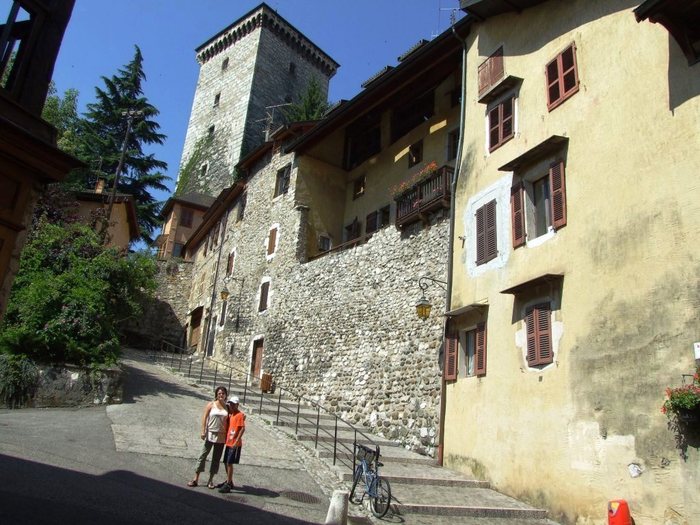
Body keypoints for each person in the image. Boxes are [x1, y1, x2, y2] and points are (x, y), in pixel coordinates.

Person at [188, 385, 229, 489]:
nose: (221, 395)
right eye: (219, 393)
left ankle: (210, 480)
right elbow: (204, 417)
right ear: (216, 394)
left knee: (216, 459)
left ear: (225, 395)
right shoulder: (211, 404)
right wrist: (203, 430)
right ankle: (195, 478)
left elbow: (233, 417)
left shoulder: (227, 407)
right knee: (203, 455)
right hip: (210, 433)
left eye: (223, 393)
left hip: (221, 436)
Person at [218, 396, 245, 493]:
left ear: (237, 405)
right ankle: (229, 481)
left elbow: (242, 429)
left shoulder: (239, 415)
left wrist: (237, 441)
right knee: (226, 462)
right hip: (229, 442)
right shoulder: (231, 415)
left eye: (233, 404)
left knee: (229, 463)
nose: (232, 406)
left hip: (234, 443)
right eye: (231, 404)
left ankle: (228, 483)